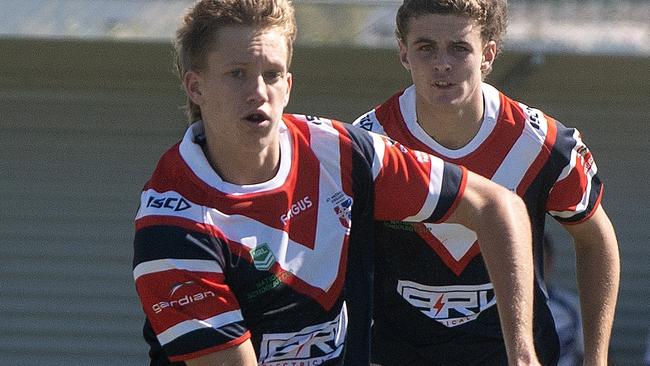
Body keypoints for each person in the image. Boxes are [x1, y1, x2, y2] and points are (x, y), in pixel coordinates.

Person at [131, 0, 542, 365]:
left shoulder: (342, 153)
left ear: (289, 85)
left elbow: (496, 206)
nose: (258, 91)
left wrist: (521, 354)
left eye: (272, 74)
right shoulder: (171, 229)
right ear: (195, 86)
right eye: (237, 73)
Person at [353, 0, 620, 365]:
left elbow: (596, 239)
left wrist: (596, 358)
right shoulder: (368, 145)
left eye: (460, 48)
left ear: (488, 55)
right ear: (403, 53)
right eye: (425, 47)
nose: (442, 63)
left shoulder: (541, 144)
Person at [543, 233, 584, 366]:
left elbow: (596, 354)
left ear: (550, 262)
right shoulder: (494, 307)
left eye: (539, 260)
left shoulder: (571, 306)